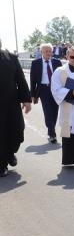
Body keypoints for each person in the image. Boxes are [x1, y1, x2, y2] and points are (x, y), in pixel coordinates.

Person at [0, 42, 31, 177]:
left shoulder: (11, 58)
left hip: (11, 103)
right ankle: (2, 165)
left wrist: (26, 99)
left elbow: (20, 79)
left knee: (17, 130)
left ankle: (9, 153)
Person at [29, 43, 62, 143]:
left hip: (55, 89)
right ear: (42, 52)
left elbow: (63, 77)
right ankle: (52, 133)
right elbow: (32, 79)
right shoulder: (36, 63)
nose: (48, 53)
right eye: (46, 51)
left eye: (50, 51)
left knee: (55, 111)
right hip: (44, 90)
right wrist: (33, 95)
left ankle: (51, 128)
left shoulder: (57, 62)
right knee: (47, 111)